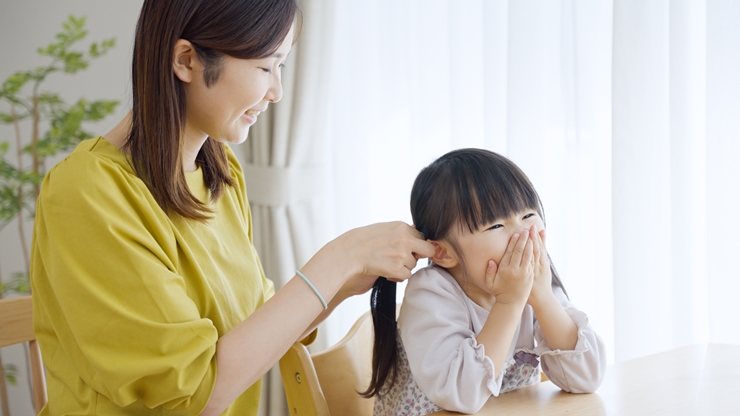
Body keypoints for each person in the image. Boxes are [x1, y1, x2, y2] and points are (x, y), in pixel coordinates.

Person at [29, 1, 434, 415]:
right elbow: (191, 395)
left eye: (282, 67)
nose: (276, 92)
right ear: (186, 60)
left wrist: (351, 273)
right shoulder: (85, 193)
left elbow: (256, 330)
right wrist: (338, 259)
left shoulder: (220, 175)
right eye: (265, 68)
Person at [363, 149, 606, 415]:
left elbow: (586, 378)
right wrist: (510, 302)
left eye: (527, 215)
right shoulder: (430, 293)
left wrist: (544, 299)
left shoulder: (536, 284)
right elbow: (461, 396)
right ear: (443, 252)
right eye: (496, 226)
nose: (523, 233)